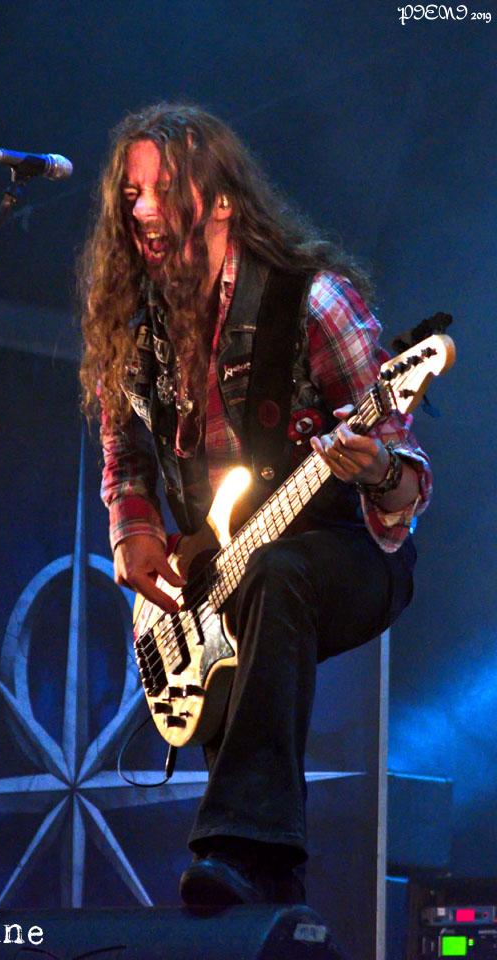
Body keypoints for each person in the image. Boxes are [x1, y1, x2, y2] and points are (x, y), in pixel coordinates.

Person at [79, 103, 431, 907]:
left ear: (222, 200)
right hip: (227, 566)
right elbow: (123, 452)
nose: (141, 210)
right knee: (251, 600)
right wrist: (133, 531)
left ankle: (239, 845)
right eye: (130, 194)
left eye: (162, 189)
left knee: (276, 573)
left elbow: (409, 483)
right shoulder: (136, 333)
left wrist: (377, 468)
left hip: (350, 551)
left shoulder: (313, 302)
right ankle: (259, 886)